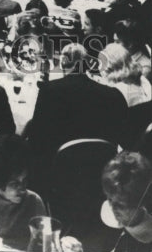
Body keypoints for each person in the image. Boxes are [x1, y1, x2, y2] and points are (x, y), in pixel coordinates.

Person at [26, 43, 128, 190]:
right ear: (87, 64)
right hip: (101, 174)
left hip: (58, 177)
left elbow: (37, 140)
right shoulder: (113, 95)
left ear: (62, 63)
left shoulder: (49, 91)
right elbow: (121, 138)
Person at [101, 151, 152, 252]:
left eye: (120, 204)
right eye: (109, 199)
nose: (112, 207)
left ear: (141, 203)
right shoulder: (110, 215)